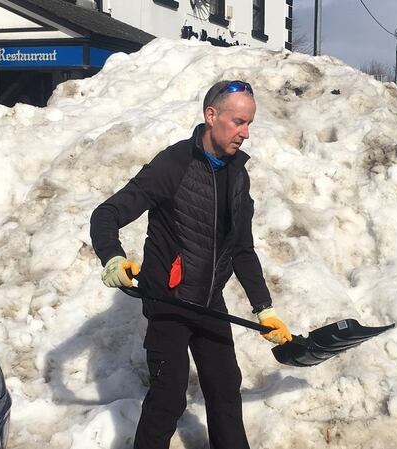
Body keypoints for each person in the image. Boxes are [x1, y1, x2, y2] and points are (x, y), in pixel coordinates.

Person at [89, 80, 292, 449]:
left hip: (210, 299)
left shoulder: (237, 175)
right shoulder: (174, 164)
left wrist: (265, 309)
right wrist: (113, 257)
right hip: (169, 300)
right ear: (211, 116)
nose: (245, 133)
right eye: (238, 122)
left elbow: (242, 249)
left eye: (249, 124)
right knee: (168, 397)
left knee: (225, 388)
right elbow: (107, 213)